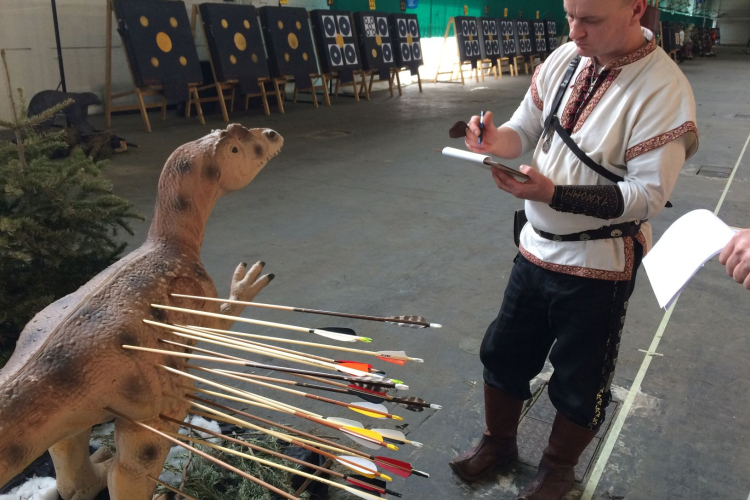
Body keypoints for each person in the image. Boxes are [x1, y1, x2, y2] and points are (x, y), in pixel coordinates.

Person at [448, 0, 699, 499]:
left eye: (591, 20)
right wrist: (494, 140)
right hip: (536, 247)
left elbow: (646, 197)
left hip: (598, 263)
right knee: (503, 351)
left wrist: (553, 194)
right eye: (569, 15)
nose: (575, 31)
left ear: (636, 9)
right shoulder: (566, 59)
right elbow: (523, 129)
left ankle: (557, 470)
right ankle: (498, 443)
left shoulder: (664, 89)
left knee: (581, 380)